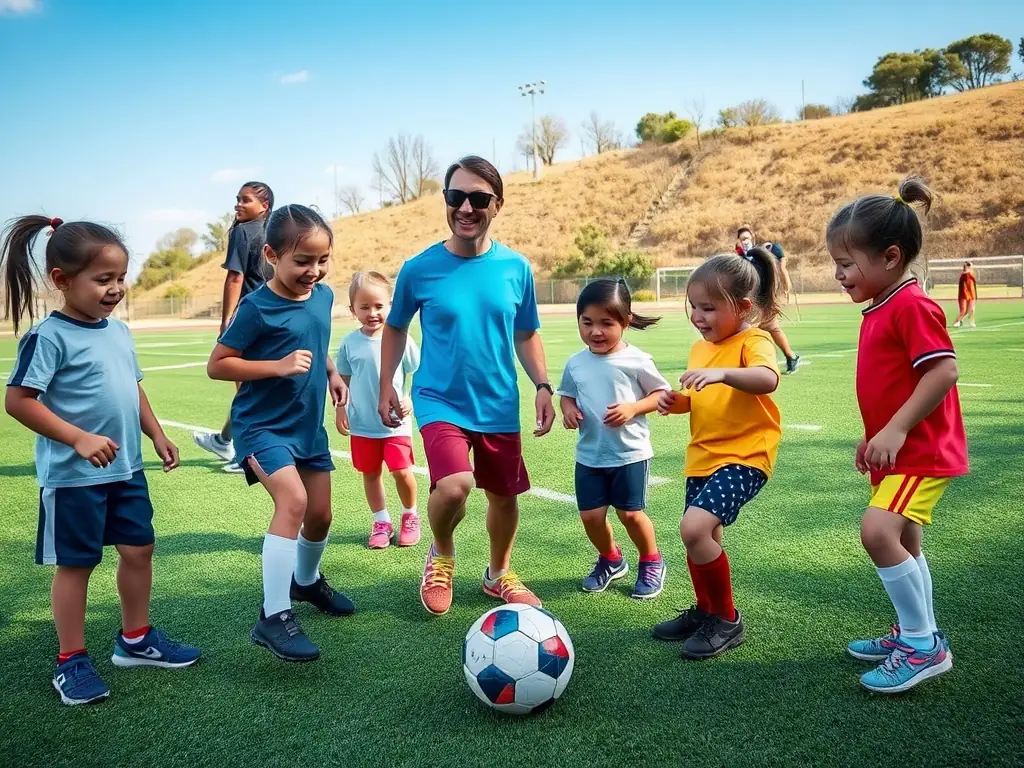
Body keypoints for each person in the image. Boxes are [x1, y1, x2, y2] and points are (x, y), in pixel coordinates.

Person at [2, 216, 200, 706]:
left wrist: (155, 433)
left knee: (139, 550)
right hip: (74, 477)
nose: (115, 289)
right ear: (62, 281)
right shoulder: (49, 337)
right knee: (77, 565)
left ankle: (135, 639)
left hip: (127, 470)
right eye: (102, 279)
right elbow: (19, 400)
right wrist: (78, 439)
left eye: (120, 278)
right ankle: (71, 659)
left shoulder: (119, 331)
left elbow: (131, 388)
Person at [378, 155, 555, 617]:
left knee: (504, 495)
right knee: (455, 485)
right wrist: (386, 386)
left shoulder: (516, 268)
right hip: (440, 400)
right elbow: (395, 327)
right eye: (457, 197)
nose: (467, 208)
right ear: (446, 201)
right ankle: (441, 553)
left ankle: (498, 574)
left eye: (479, 198)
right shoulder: (419, 269)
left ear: (497, 204)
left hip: (498, 402)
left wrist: (542, 384)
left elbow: (526, 332)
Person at [827, 177, 967, 693]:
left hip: (923, 450)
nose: (838, 275)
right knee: (906, 539)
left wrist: (897, 428)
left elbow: (943, 372)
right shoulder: (883, 304)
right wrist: (875, 436)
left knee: (878, 533)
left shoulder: (911, 304)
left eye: (846, 264)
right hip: (898, 448)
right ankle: (917, 631)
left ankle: (923, 644)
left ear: (889, 257)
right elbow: (894, 384)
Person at [206, 204, 352, 662]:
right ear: (271, 254)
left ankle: (305, 582)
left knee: (322, 515)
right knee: (294, 502)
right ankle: (273, 615)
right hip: (262, 427)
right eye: (302, 261)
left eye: (322, 260)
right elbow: (218, 364)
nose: (314, 271)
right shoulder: (256, 307)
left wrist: (331, 372)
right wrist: (277, 366)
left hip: (307, 426)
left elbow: (315, 341)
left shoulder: (325, 296)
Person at [652, 246, 783, 660]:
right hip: (702, 457)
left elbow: (767, 379)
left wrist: (723, 372)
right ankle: (706, 611)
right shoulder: (700, 348)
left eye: (708, 308)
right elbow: (701, 397)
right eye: (693, 307)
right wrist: (680, 403)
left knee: (693, 529)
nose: (697, 317)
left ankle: (727, 619)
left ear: (742, 307)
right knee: (702, 538)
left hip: (745, 456)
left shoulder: (754, 340)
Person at [558, 279, 670, 599]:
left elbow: (661, 393)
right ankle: (611, 558)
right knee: (591, 517)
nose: (596, 331)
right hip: (590, 455)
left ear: (626, 321)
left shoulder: (637, 360)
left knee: (630, 514)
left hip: (629, 453)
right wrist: (568, 411)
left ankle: (651, 559)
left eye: (606, 323)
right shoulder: (576, 362)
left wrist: (634, 407)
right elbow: (566, 394)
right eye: (587, 322)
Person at [336, 271, 421, 549]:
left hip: (396, 424)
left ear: (390, 306)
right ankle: (381, 521)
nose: (372, 313)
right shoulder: (349, 343)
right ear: (352, 310)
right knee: (370, 474)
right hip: (363, 424)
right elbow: (343, 380)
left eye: (378, 306)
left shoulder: (401, 340)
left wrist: (410, 399)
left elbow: (420, 373)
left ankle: (410, 515)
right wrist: (341, 409)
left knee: (402, 472)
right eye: (364, 307)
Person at [193, 181, 275, 471]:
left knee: (247, 391)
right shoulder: (274, 230)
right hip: (275, 315)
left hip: (249, 318)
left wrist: (226, 319)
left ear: (263, 206)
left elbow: (235, 278)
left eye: (246, 200)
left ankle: (249, 454)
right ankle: (224, 439)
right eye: (237, 199)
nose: (238, 204)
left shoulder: (241, 232)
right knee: (254, 389)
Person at [736, 226, 800, 374]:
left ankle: (783, 357)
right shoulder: (740, 257)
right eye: (742, 239)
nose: (745, 241)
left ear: (752, 236)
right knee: (768, 328)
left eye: (747, 238)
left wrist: (785, 286)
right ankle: (790, 356)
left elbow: (780, 267)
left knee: (755, 327)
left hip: (766, 296)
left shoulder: (764, 251)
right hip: (752, 297)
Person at [953, 261, 977, 328]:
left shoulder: (971, 273)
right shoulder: (963, 274)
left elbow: (972, 276)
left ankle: (971, 322)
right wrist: (968, 267)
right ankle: (957, 321)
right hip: (963, 294)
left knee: (971, 309)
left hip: (971, 294)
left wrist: (970, 267)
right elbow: (965, 274)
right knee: (963, 310)